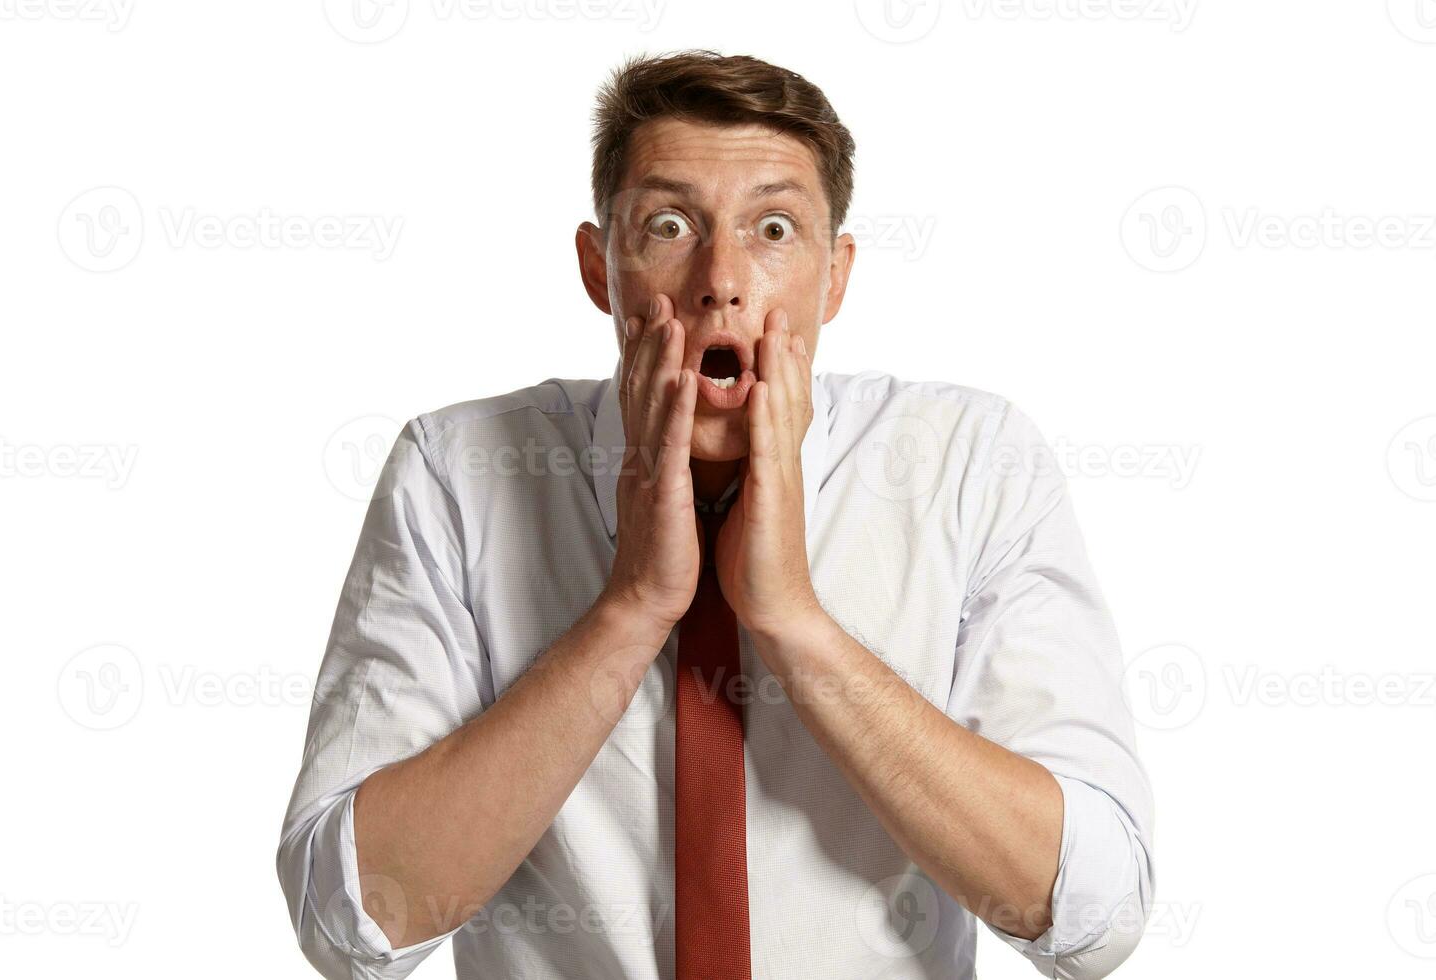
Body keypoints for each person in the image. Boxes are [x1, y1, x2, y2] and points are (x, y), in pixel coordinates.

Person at [276, 49, 1154, 980]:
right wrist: (633, 609)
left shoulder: (969, 464)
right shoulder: (459, 472)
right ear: (599, 267)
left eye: (774, 228)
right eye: (667, 225)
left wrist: (793, 623)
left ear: (835, 277)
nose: (721, 279)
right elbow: (355, 924)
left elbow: (1091, 914)